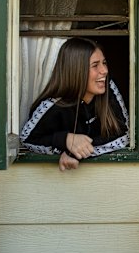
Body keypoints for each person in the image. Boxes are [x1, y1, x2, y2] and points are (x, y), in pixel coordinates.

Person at [20, 37, 129, 171]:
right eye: (95, 65)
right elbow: (26, 139)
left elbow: (126, 134)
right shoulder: (53, 105)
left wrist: (76, 152)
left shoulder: (109, 88)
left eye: (104, 63)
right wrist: (65, 139)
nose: (104, 70)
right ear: (76, 70)